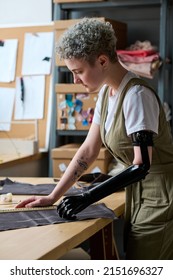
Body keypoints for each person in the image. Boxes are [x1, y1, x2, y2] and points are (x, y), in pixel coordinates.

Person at [16, 17, 173, 260]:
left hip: (162, 195)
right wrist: (54, 195)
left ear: (102, 61)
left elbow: (142, 165)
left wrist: (87, 197)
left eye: (78, 72)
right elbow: (88, 150)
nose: (75, 80)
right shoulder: (106, 95)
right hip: (141, 194)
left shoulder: (137, 96)